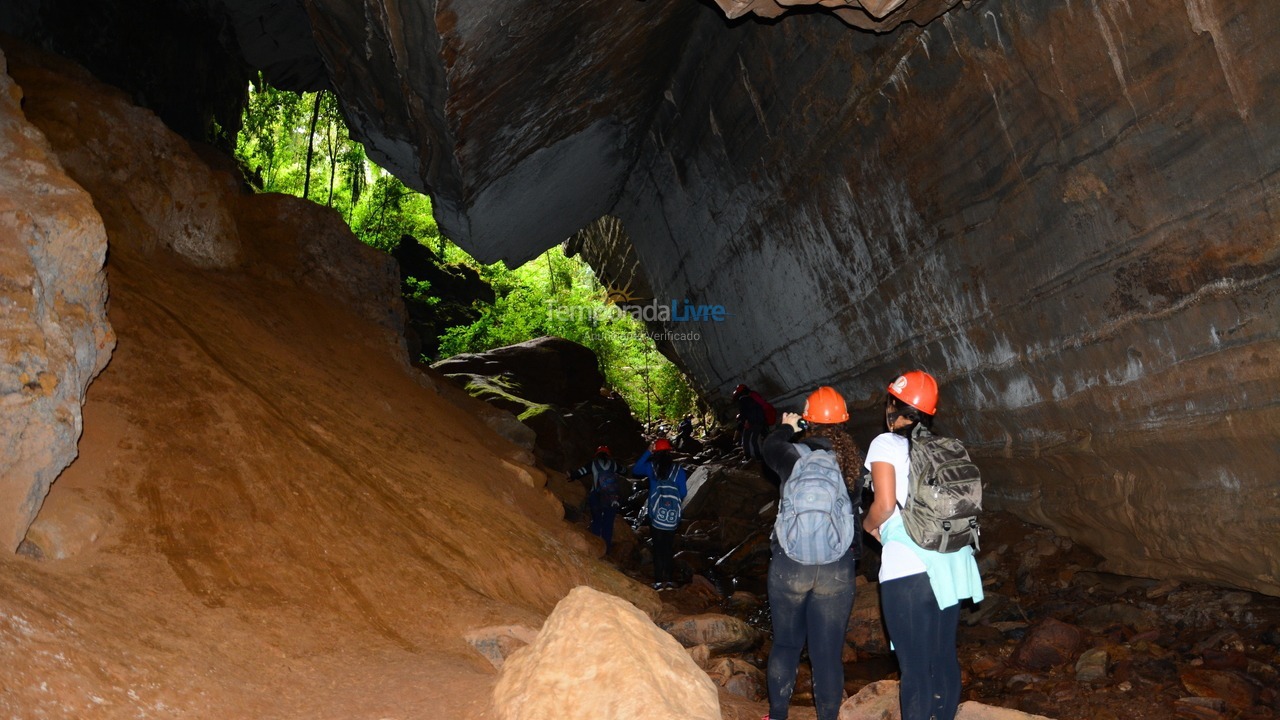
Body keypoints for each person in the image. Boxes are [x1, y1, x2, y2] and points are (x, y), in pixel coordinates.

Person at [862, 371, 984, 720]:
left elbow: (884, 505)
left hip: (909, 568)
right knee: (943, 656)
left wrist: (868, 527)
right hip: (952, 562)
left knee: (914, 668)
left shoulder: (885, 444)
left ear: (892, 406)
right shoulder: (943, 447)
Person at [761, 386, 863, 720]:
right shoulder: (851, 465)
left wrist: (787, 428)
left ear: (809, 421)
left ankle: (777, 716)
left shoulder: (792, 455)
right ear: (843, 423)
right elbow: (855, 517)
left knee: (787, 645)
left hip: (790, 564)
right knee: (828, 654)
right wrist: (851, 561)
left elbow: (768, 445)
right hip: (836, 567)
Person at [632, 438, 688, 589]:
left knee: (657, 548)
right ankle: (668, 580)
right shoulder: (679, 470)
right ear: (670, 452)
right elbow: (683, 492)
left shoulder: (651, 467)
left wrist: (647, 451)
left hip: (655, 514)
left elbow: (635, 470)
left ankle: (658, 581)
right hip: (672, 517)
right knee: (668, 548)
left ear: (655, 453)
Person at [569, 445, 625, 553]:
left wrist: (572, 475)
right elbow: (624, 470)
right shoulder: (613, 464)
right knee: (608, 523)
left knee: (597, 520)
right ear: (608, 455)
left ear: (597, 454)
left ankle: (595, 548)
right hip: (611, 497)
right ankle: (606, 550)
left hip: (596, 496)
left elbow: (580, 472)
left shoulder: (593, 463)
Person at [734, 384, 769, 461]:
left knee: (746, 440)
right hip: (759, 422)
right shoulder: (753, 399)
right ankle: (758, 457)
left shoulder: (742, 400)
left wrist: (745, 421)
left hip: (751, 423)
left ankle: (748, 457)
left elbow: (744, 413)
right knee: (754, 440)